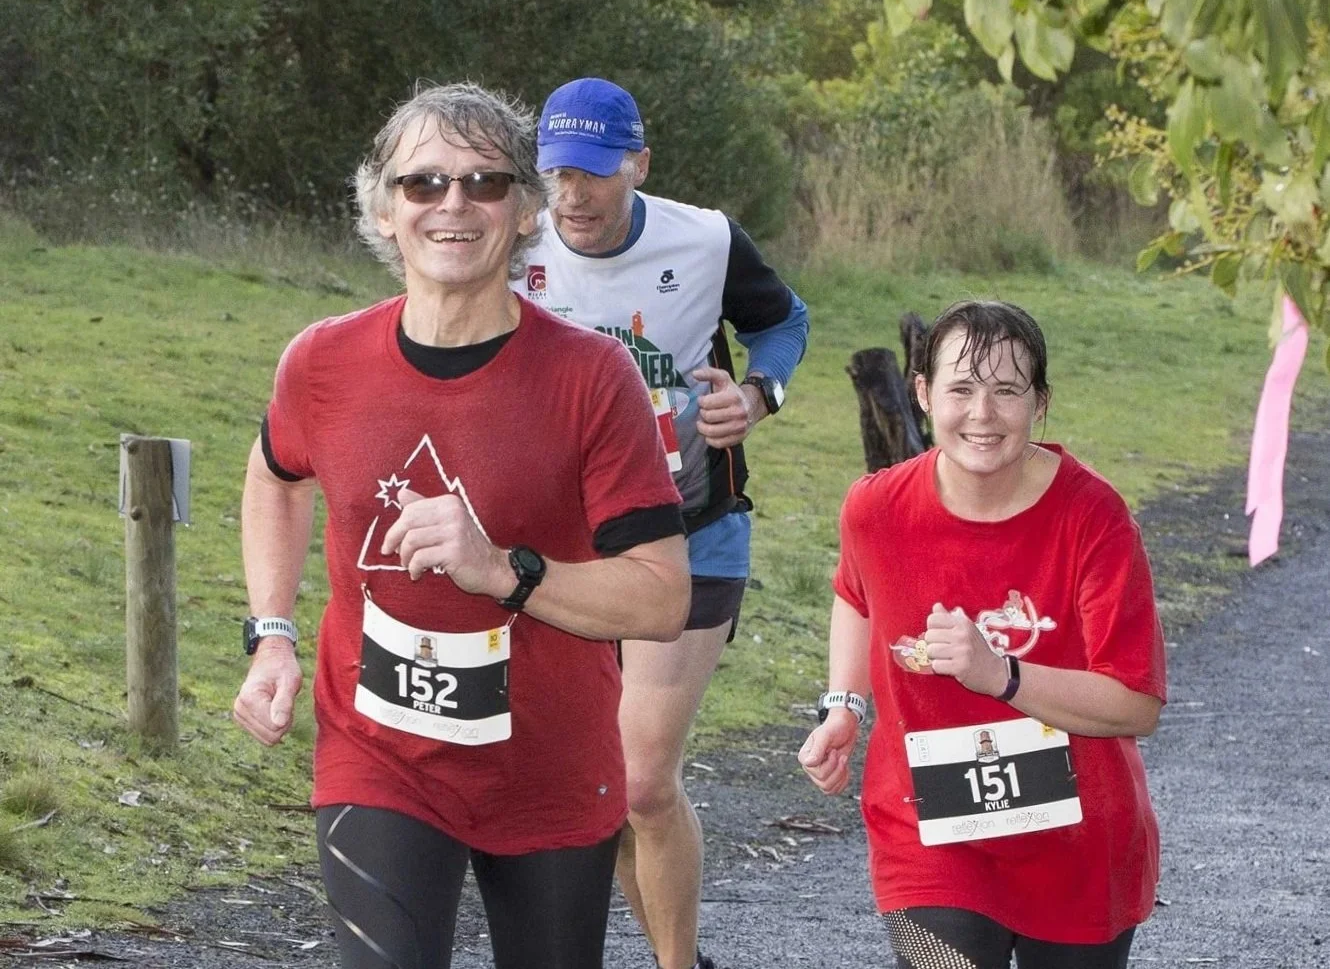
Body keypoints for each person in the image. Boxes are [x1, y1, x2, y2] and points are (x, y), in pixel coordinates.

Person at [231, 81, 691, 969]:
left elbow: (663, 595)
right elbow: (276, 474)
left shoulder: (592, 379)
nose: (454, 204)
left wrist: (504, 569)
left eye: (485, 182)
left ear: (526, 212)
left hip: (551, 766)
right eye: (424, 183)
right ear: (383, 206)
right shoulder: (321, 362)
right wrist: (274, 634)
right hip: (380, 754)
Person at [515, 77, 810, 969]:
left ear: (639, 165)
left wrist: (758, 396)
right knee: (594, 781)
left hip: (693, 525)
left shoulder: (708, 239)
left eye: (596, 174)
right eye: (558, 173)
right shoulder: (509, 238)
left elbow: (784, 321)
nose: (575, 196)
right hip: (561, 544)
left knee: (641, 781)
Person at [799, 300, 1167, 969]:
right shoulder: (874, 508)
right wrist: (843, 707)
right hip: (928, 834)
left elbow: (1135, 702)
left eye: (1007, 391)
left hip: (1078, 840)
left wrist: (1003, 674)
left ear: (1041, 402)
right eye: (961, 389)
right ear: (922, 393)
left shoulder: (1094, 518)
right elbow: (856, 594)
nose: (982, 414)